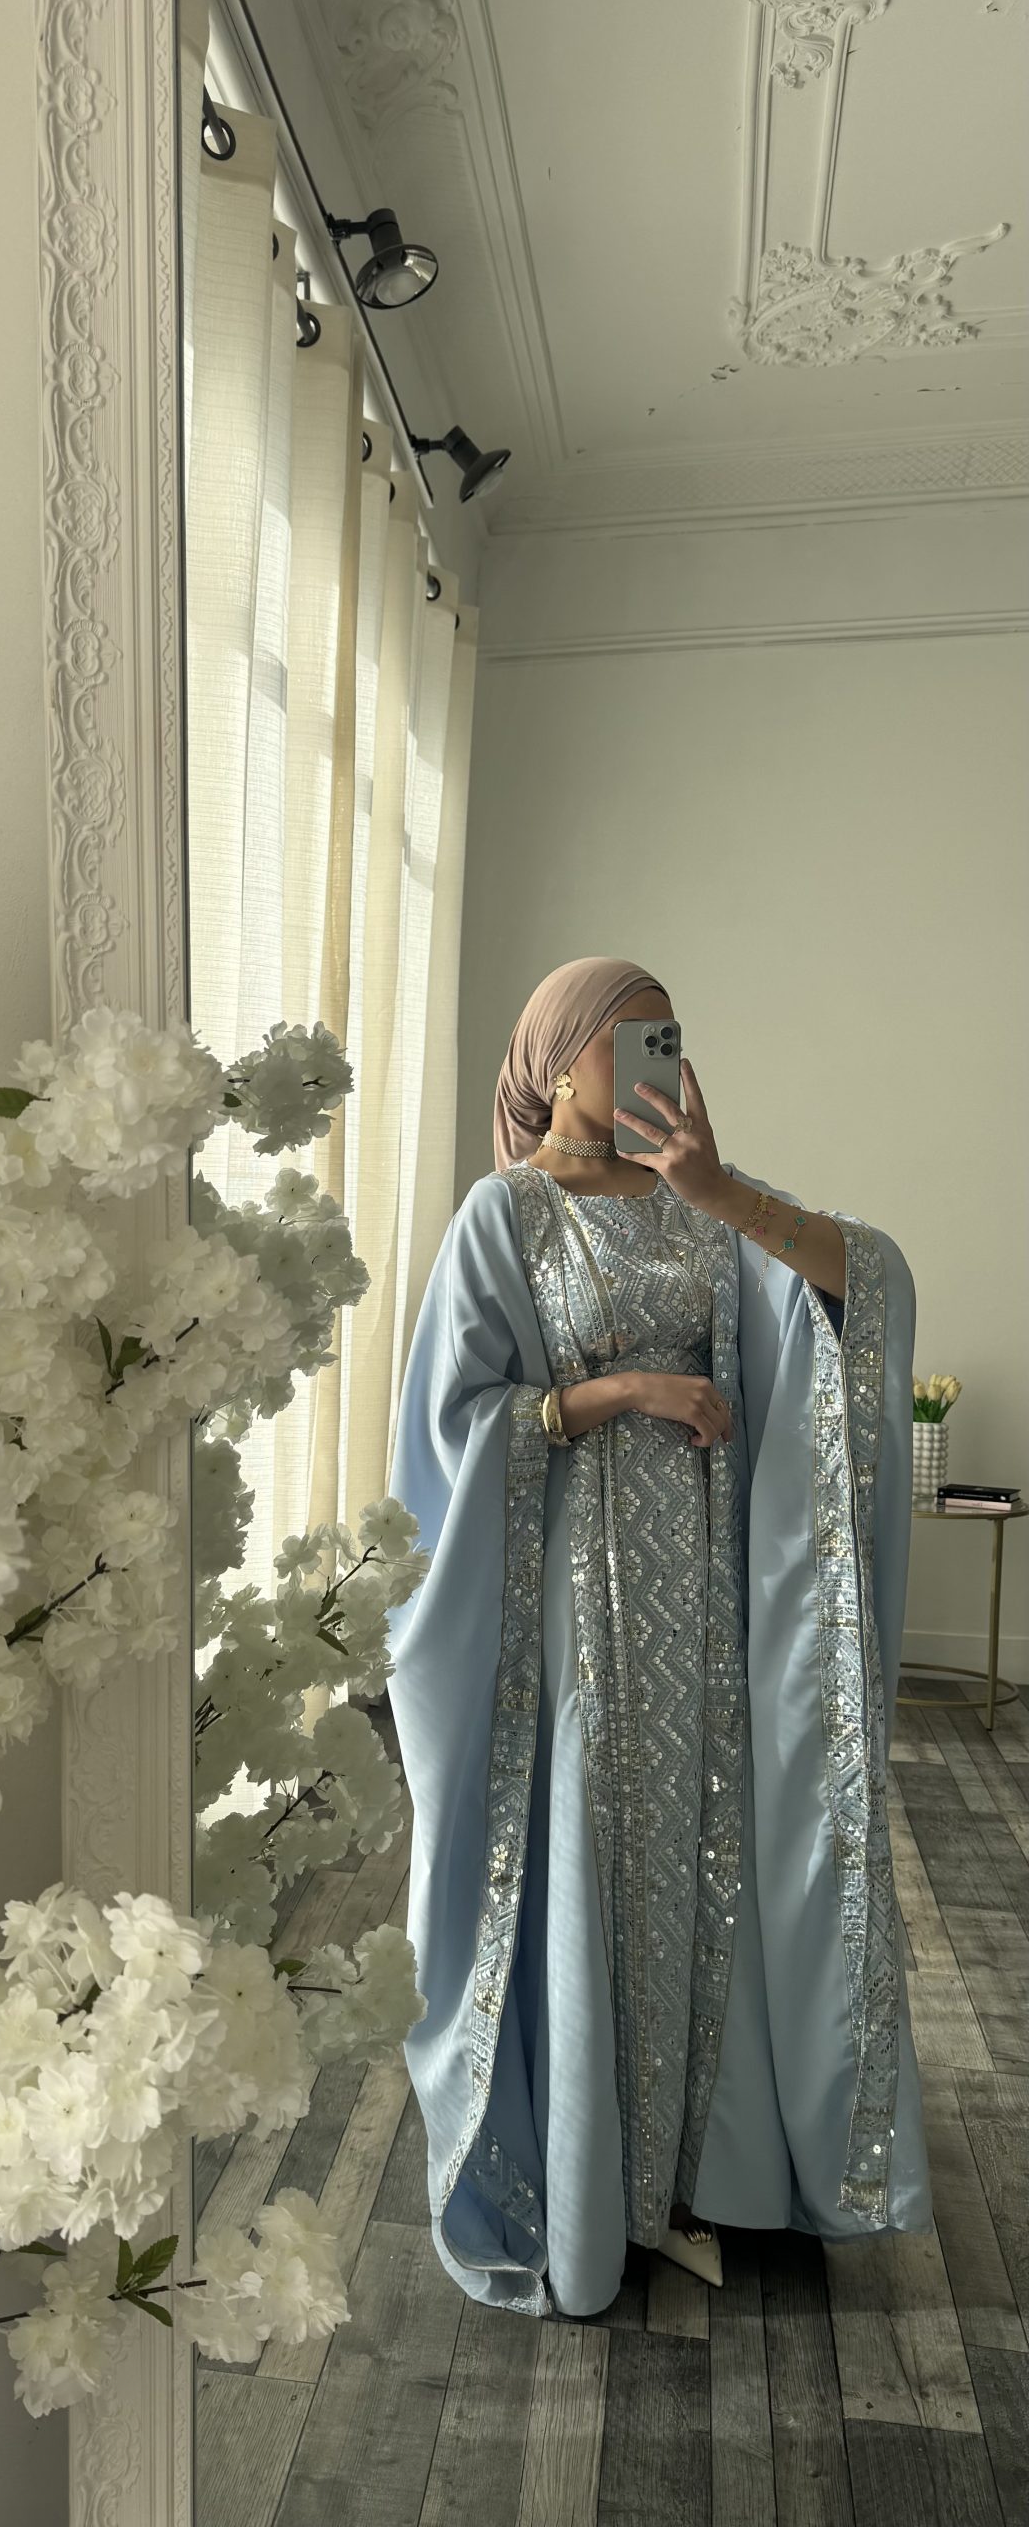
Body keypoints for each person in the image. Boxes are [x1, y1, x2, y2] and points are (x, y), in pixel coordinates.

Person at [384, 956, 931, 2320]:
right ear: (557, 1058)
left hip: (714, 1596)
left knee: (709, 1855)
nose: (656, 1063)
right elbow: (450, 1426)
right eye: (626, 1042)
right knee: (593, 1854)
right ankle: (596, 2185)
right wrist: (620, 1390)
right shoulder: (505, 1216)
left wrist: (720, 1189)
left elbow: (865, 1286)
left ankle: (697, 2173)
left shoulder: (701, 1207)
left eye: (668, 1039)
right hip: (574, 1608)